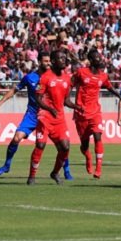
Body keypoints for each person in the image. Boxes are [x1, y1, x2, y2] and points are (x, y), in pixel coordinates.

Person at [0, 51, 50, 176]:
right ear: (39, 62)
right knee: (17, 137)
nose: (49, 63)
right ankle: (7, 165)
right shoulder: (30, 78)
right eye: (46, 61)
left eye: (49, 61)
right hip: (32, 115)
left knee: (61, 143)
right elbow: (14, 90)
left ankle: (66, 171)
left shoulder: (54, 77)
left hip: (49, 115)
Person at [27, 50, 80, 185]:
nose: (64, 60)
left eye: (64, 57)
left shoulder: (67, 78)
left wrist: (77, 107)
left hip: (59, 118)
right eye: (61, 58)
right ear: (54, 61)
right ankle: (32, 176)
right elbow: (38, 98)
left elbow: (66, 101)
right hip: (45, 116)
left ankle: (55, 172)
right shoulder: (45, 77)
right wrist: (49, 108)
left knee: (66, 147)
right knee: (40, 144)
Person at [71, 49, 121, 179]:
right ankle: (88, 156)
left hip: (95, 112)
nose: (99, 59)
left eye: (99, 56)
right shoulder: (81, 73)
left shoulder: (103, 76)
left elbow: (109, 87)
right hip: (81, 113)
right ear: (91, 60)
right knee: (84, 145)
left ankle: (98, 168)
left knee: (98, 137)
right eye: (96, 57)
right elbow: (69, 84)